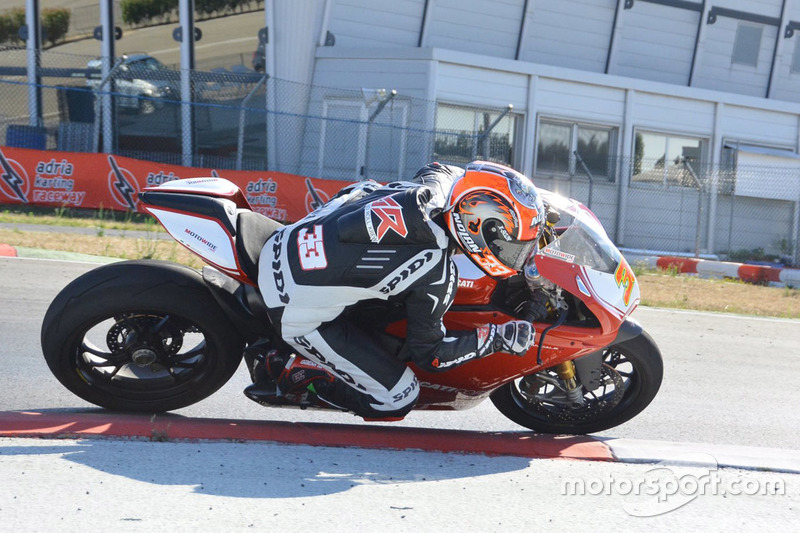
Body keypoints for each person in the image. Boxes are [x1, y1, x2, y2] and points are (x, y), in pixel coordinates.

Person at [245, 160, 546, 421]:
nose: (513, 255)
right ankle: (299, 371)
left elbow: (450, 171)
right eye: (509, 245)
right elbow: (432, 356)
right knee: (399, 397)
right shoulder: (435, 272)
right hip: (292, 305)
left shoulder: (439, 185)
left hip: (290, 239)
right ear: (478, 227)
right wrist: (495, 338)